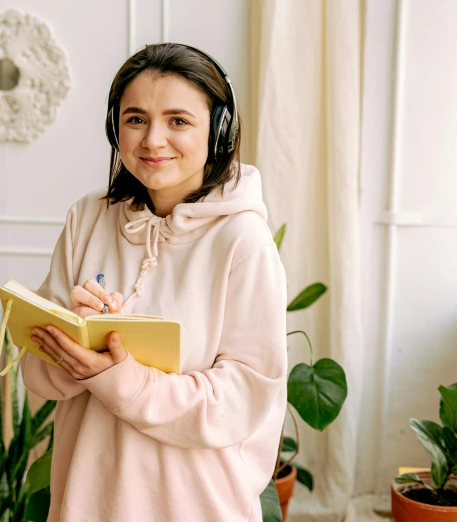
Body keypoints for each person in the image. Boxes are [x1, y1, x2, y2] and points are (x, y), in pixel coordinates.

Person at [20, 42, 288, 522]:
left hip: (196, 504)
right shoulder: (87, 219)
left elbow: (241, 400)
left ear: (218, 131)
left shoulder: (244, 241)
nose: (152, 140)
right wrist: (69, 346)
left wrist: (118, 378)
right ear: (115, 126)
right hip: (88, 499)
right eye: (136, 118)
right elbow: (36, 374)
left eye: (179, 121)